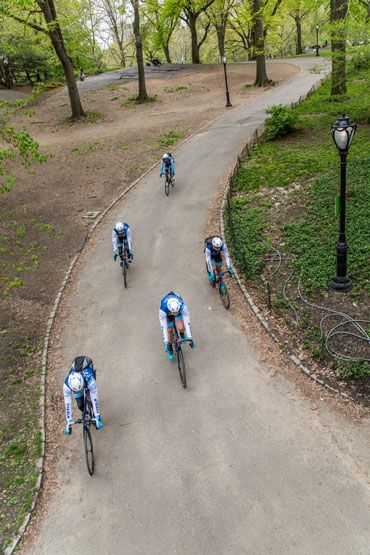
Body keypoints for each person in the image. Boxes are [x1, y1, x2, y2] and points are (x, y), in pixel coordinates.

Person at [63, 356, 103, 435]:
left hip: (87, 382)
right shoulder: (66, 385)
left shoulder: (90, 381)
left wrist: (97, 417)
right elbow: (67, 404)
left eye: (80, 389)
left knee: (91, 400)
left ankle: (94, 416)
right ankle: (87, 414)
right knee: (80, 404)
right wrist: (68, 423)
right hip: (80, 383)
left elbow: (95, 399)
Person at [159, 292, 196, 360]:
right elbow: (163, 327)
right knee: (169, 330)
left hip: (177, 310)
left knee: (181, 327)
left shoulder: (182, 307)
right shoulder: (163, 310)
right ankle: (170, 348)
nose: (175, 314)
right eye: (174, 313)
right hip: (167, 314)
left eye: (176, 312)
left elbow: (187, 322)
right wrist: (166, 342)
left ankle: (182, 333)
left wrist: (190, 337)